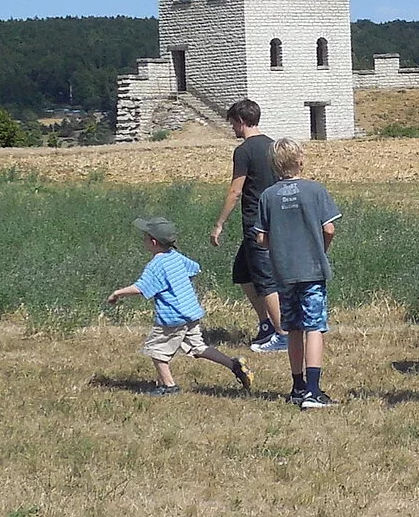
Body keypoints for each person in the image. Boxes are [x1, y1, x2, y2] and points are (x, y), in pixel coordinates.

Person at [107, 217, 254, 396]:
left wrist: (117, 293)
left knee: (157, 350)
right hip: (191, 312)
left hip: (173, 317)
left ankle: (169, 386)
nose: (143, 240)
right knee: (198, 347)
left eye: (144, 237)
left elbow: (140, 288)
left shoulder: (156, 265)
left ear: (153, 242)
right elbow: (195, 268)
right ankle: (235, 365)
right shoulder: (176, 257)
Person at [254, 139, 343, 408]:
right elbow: (329, 229)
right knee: (314, 326)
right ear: (301, 161)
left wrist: (278, 246)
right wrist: (320, 250)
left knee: (292, 327)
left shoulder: (267, 196)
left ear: (274, 166)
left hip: (283, 272)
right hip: (311, 269)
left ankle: (297, 386)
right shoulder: (315, 190)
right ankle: (313, 391)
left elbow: (260, 238)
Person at [207, 100, 285, 353]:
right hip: (276, 219)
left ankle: (283, 335)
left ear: (241, 121)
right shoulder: (275, 146)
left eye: (232, 124)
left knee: (265, 280)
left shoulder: (244, 151)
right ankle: (267, 324)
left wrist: (219, 224)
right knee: (242, 272)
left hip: (257, 224)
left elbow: (235, 191)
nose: (233, 129)